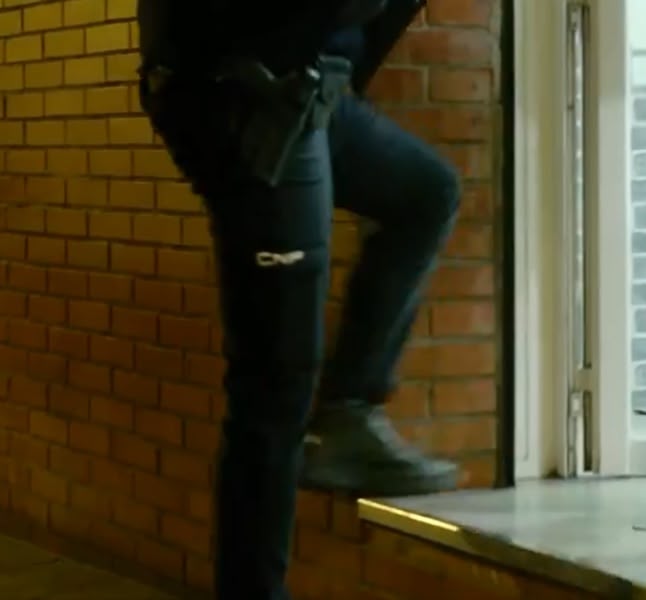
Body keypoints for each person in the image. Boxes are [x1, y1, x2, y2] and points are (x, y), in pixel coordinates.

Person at [136, 0, 460, 597]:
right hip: (242, 91)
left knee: (426, 193)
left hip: (309, 86)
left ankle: (347, 412)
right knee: (275, 382)